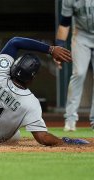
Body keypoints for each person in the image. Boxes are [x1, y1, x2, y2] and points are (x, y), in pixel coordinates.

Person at [0, 37, 89, 146]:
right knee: (17, 134)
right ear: (32, 79)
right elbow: (43, 138)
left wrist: (51, 49)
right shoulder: (32, 103)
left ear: (14, 67)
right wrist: (63, 142)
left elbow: (15, 42)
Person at [55, 0, 94, 131]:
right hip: (81, 36)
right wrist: (59, 48)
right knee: (79, 73)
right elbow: (64, 24)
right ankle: (70, 119)